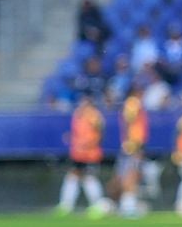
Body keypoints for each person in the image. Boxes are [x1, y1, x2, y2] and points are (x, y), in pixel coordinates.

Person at [57, 96, 108, 215]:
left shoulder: (94, 115)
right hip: (78, 153)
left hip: (90, 153)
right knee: (73, 175)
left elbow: (99, 133)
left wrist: (89, 144)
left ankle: (98, 205)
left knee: (89, 177)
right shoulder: (78, 115)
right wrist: (71, 138)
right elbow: (79, 133)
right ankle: (66, 205)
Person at [112, 86, 150, 217]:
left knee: (131, 174)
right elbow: (129, 122)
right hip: (133, 145)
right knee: (131, 175)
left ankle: (127, 205)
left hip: (133, 144)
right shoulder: (133, 103)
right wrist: (131, 142)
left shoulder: (132, 104)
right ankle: (128, 206)